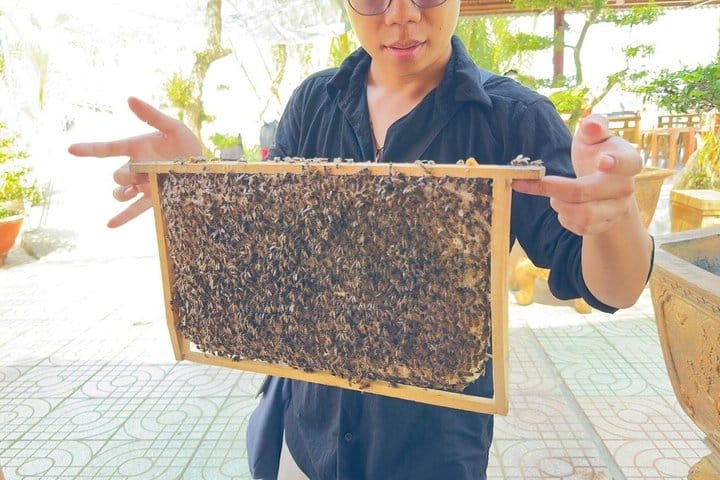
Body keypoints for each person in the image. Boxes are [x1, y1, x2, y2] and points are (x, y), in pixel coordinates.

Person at [68, 0, 653, 478]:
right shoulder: (312, 102)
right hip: (308, 435)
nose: (401, 15)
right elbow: (273, 250)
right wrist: (197, 184)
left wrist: (614, 214)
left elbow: (612, 289)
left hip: (430, 453)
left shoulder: (514, 118)